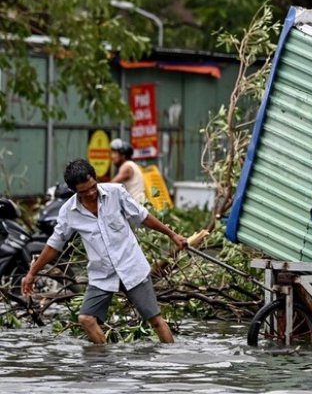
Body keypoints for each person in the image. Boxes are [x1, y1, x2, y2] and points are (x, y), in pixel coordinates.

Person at [22, 158, 188, 344]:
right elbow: (54, 246)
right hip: (102, 274)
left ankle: (171, 362)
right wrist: (32, 273)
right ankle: (106, 364)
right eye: (84, 191)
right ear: (74, 191)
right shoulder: (69, 211)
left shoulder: (116, 193)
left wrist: (173, 236)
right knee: (86, 319)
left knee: (155, 321)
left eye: (93, 186)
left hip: (131, 267)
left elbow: (143, 217)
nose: (92, 193)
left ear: (95, 178)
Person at [110, 138, 146, 203]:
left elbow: (112, 184)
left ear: (123, 155)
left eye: (115, 153)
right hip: (136, 205)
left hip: (135, 207)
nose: (112, 156)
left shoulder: (127, 167)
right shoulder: (131, 165)